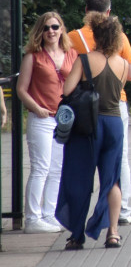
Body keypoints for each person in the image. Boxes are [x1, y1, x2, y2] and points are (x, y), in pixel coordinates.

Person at [56, 12, 131, 249]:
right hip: (114, 124)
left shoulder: (85, 60)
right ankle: (112, 233)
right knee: (112, 180)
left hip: (90, 125)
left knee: (81, 178)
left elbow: (68, 90)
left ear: (96, 36)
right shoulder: (123, 64)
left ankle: (77, 235)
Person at [69, 0, 131, 226]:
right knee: (120, 158)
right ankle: (123, 211)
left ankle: (77, 219)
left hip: (85, 105)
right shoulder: (120, 37)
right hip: (116, 103)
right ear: (108, 12)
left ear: (85, 10)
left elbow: (67, 79)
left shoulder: (71, 37)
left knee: (85, 160)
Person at [16, 12, 79, 233]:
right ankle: (32, 218)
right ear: (40, 32)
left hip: (63, 119)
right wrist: (37, 108)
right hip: (42, 118)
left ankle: (48, 214)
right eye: (46, 28)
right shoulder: (33, 56)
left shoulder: (72, 54)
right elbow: (21, 90)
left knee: (57, 168)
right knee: (40, 168)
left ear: (61, 29)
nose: (50, 31)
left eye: (54, 26)